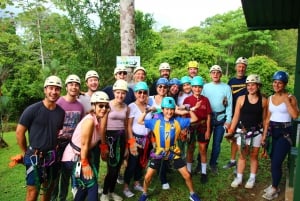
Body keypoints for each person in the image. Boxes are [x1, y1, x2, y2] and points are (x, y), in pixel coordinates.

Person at [137, 97, 202, 201]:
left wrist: (189, 109)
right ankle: (144, 194)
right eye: (166, 109)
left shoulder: (178, 121)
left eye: (171, 109)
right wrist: (147, 111)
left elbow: (194, 119)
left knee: (187, 175)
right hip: (159, 152)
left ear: (174, 110)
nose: (169, 111)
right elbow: (139, 121)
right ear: (162, 109)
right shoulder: (155, 121)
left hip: (173, 151)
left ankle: (192, 193)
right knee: (148, 176)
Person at [16, 75, 65, 201]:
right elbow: (19, 132)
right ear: (45, 89)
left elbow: (57, 131)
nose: (54, 92)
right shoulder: (32, 110)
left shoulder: (61, 112)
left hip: (52, 156)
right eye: (51, 88)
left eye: (57, 89)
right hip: (35, 156)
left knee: (48, 188)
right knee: (33, 192)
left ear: (60, 91)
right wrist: (25, 153)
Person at [61, 91, 110, 201]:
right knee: (92, 184)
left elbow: (102, 130)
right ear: (94, 105)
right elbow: (84, 144)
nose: (104, 109)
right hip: (74, 157)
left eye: (106, 106)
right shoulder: (89, 121)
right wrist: (85, 164)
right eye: (101, 106)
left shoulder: (96, 119)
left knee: (84, 186)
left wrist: (103, 148)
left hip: (80, 156)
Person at [225, 74, 267, 189]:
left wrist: (264, 135)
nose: (250, 87)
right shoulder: (241, 99)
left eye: (253, 85)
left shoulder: (263, 101)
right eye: (248, 85)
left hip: (257, 132)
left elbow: (264, 119)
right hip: (242, 131)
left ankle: (252, 178)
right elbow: (236, 117)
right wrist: (231, 131)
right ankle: (239, 177)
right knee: (242, 155)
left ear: (258, 86)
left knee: (254, 156)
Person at [261, 71, 299, 200]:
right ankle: (274, 185)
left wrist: (286, 102)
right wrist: (264, 136)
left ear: (285, 84)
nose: (276, 85)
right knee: (273, 160)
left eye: (280, 83)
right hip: (272, 132)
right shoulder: (270, 99)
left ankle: (274, 188)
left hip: (285, 133)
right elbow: (267, 119)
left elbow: (295, 115)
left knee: (276, 162)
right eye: (275, 82)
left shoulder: (290, 97)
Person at [51, 74, 84, 201]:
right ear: (66, 87)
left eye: (76, 85)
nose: (74, 87)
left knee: (70, 173)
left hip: (72, 145)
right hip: (58, 143)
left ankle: (63, 197)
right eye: (71, 84)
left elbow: (80, 127)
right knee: (55, 175)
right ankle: (54, 198)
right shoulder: (58, 103)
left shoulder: (80, 106)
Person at [100, 79, 130, 201]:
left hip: (121, 139)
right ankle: (105, 193)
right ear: (113, 92)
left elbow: (127, 126)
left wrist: (128, 146)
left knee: (117, 167)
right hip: (110, 139)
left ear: (126, 94)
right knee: (111, 168)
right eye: (118, 92)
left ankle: (112, 192)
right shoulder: (108, 105)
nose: (120, 95)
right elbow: (102, 127)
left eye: (123, 93)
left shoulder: (126, 107)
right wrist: (103, 146)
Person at [123, 82, 153, 198]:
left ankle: (136, 182)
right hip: (135, 138)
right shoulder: (131, 106)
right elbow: (128, 126)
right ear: (135, 93)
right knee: (132, 163)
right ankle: (126, 186)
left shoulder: (149, 106)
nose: (142, 94)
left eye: (144, 92)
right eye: (139, 92)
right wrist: (131, 142)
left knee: (142, 163)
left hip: (147, 140)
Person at [202, 65, 232, 174]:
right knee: (204, 142)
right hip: (208, 118)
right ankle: (201, 162)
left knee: (217, 143)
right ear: (210, 74)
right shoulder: (205, 87)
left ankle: (213, 163)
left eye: (217, 72)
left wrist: (228, 120)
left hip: (220, 118)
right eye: (213, 72)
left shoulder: (226, 87)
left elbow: (229, 105)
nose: (215, 74)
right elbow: (202, 102)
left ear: (221, 74)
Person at [184, 76, 212, 184]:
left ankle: (204, 172)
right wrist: (185, 129)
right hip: (191, 127)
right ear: (191, 87)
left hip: (202, 127)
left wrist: (208, 130)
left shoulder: (205, 100)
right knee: (190, 149)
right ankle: (189, 171)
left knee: (203, 149)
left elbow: (208, 116)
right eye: (195, 87)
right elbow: (185, 116)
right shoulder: (187, 100)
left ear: (202, 88)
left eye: (199, 87)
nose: (197, 89)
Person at [224, 57, 248, 169]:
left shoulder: (249, 81)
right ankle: (233, 160)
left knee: (245, 138)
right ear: (236, 67)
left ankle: (242, 160)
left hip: (246, 114)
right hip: (234, 113)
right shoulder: (231, 81)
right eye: (239, 66)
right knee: (233, 137)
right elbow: (228, 98)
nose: (241, 68)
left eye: (243, 66)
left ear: (245, 68)